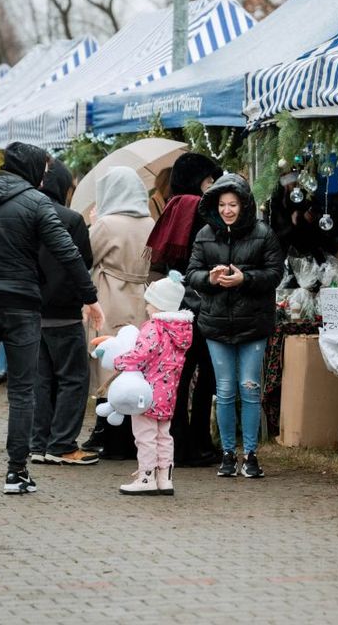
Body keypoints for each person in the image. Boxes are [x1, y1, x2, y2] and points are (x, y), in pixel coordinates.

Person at [0, 142, 103, 496]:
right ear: (30, 168)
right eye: (43, 170)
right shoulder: (36, 202)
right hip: (22, 305)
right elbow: (68, 252)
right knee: (22, 390)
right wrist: (91, 297)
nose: (46, 176)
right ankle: (16, 474)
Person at [187, 174, 284, 480]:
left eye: (233, 204)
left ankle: (251, 455)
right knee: (226, 390)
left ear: (244, 205)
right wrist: (210, 279)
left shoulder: (263, 233)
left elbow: (275, 273)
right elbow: (191, 274)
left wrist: (246, 278)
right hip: (215, 323)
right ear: (215, 206)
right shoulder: (204, 234)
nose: (228, 210)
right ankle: (228, 454)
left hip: (253, 323)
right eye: (222, 204)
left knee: (250, 388)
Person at [146, 152, 221, 468]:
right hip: (199, 300)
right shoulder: (198, 207)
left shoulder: (174, 204)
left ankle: (176, 440)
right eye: (209, 180)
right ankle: (198, 442)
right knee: (206, 373)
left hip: (173, 303)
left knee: (178, 373)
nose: (213, 187)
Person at [30, 160, 98, 466]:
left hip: (32, 309)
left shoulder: (25, 215)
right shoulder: (71, 219)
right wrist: (89, 300)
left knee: (41, 379)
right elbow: (83, 262)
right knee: (73, 378)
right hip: (65, 311)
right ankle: (63, 444)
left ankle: (38, 443)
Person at [84, 166, 155, 459]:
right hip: (141, 295)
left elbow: (88, 256)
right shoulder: (151, 222)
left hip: (111, 295)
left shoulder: (107, 223)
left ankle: (106, 430)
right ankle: (133, 432)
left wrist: (93, 224)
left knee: (109, 361)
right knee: (136, 363)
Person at [112, 271, 193, 495]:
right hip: (168, 393)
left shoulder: (153, 327)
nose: (147, 308)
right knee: (164, 435)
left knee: (144, 436)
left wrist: (119, 361)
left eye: (149, 303)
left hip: (146, 393)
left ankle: (146, 477)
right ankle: (165, 478)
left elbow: (142, 353)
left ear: (158, 305)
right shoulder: (182, 330)